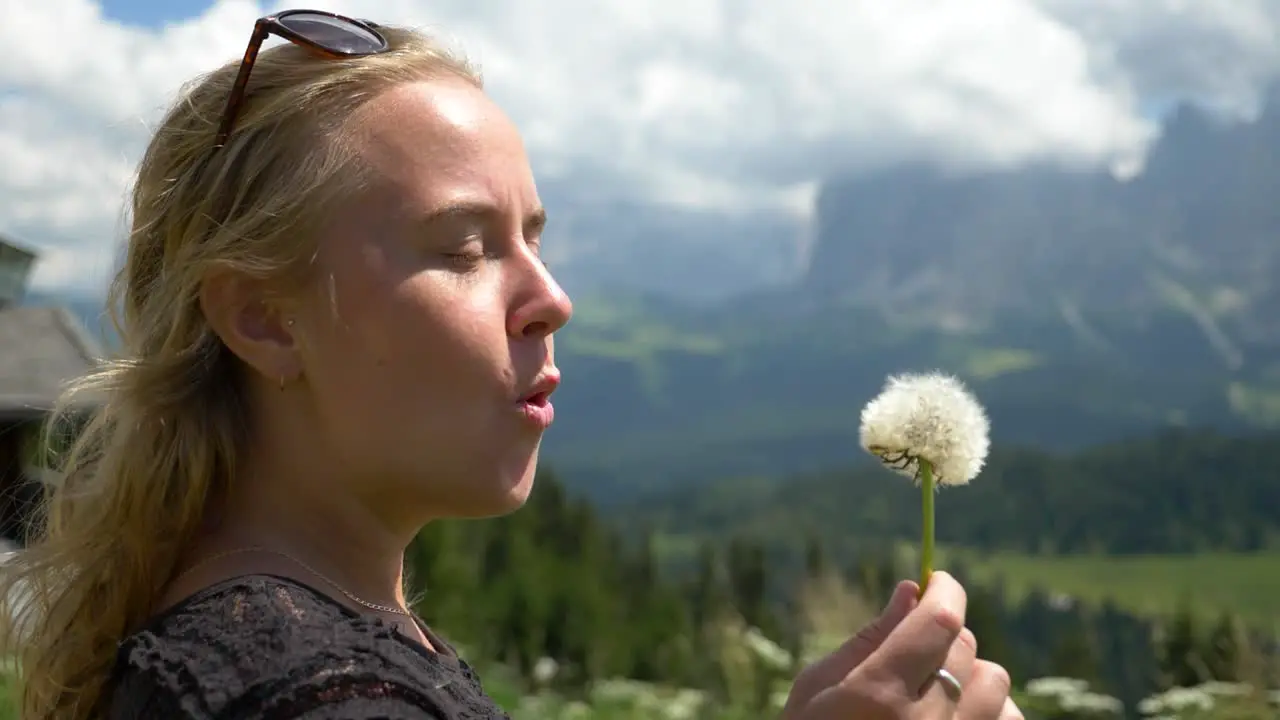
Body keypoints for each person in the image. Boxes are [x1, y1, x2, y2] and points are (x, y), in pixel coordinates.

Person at [0, 9, 1022, 720]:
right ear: (263, 319)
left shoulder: (267, 654)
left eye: (534, 235)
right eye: (462, 247)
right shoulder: (301, 694)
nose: (553, 299)